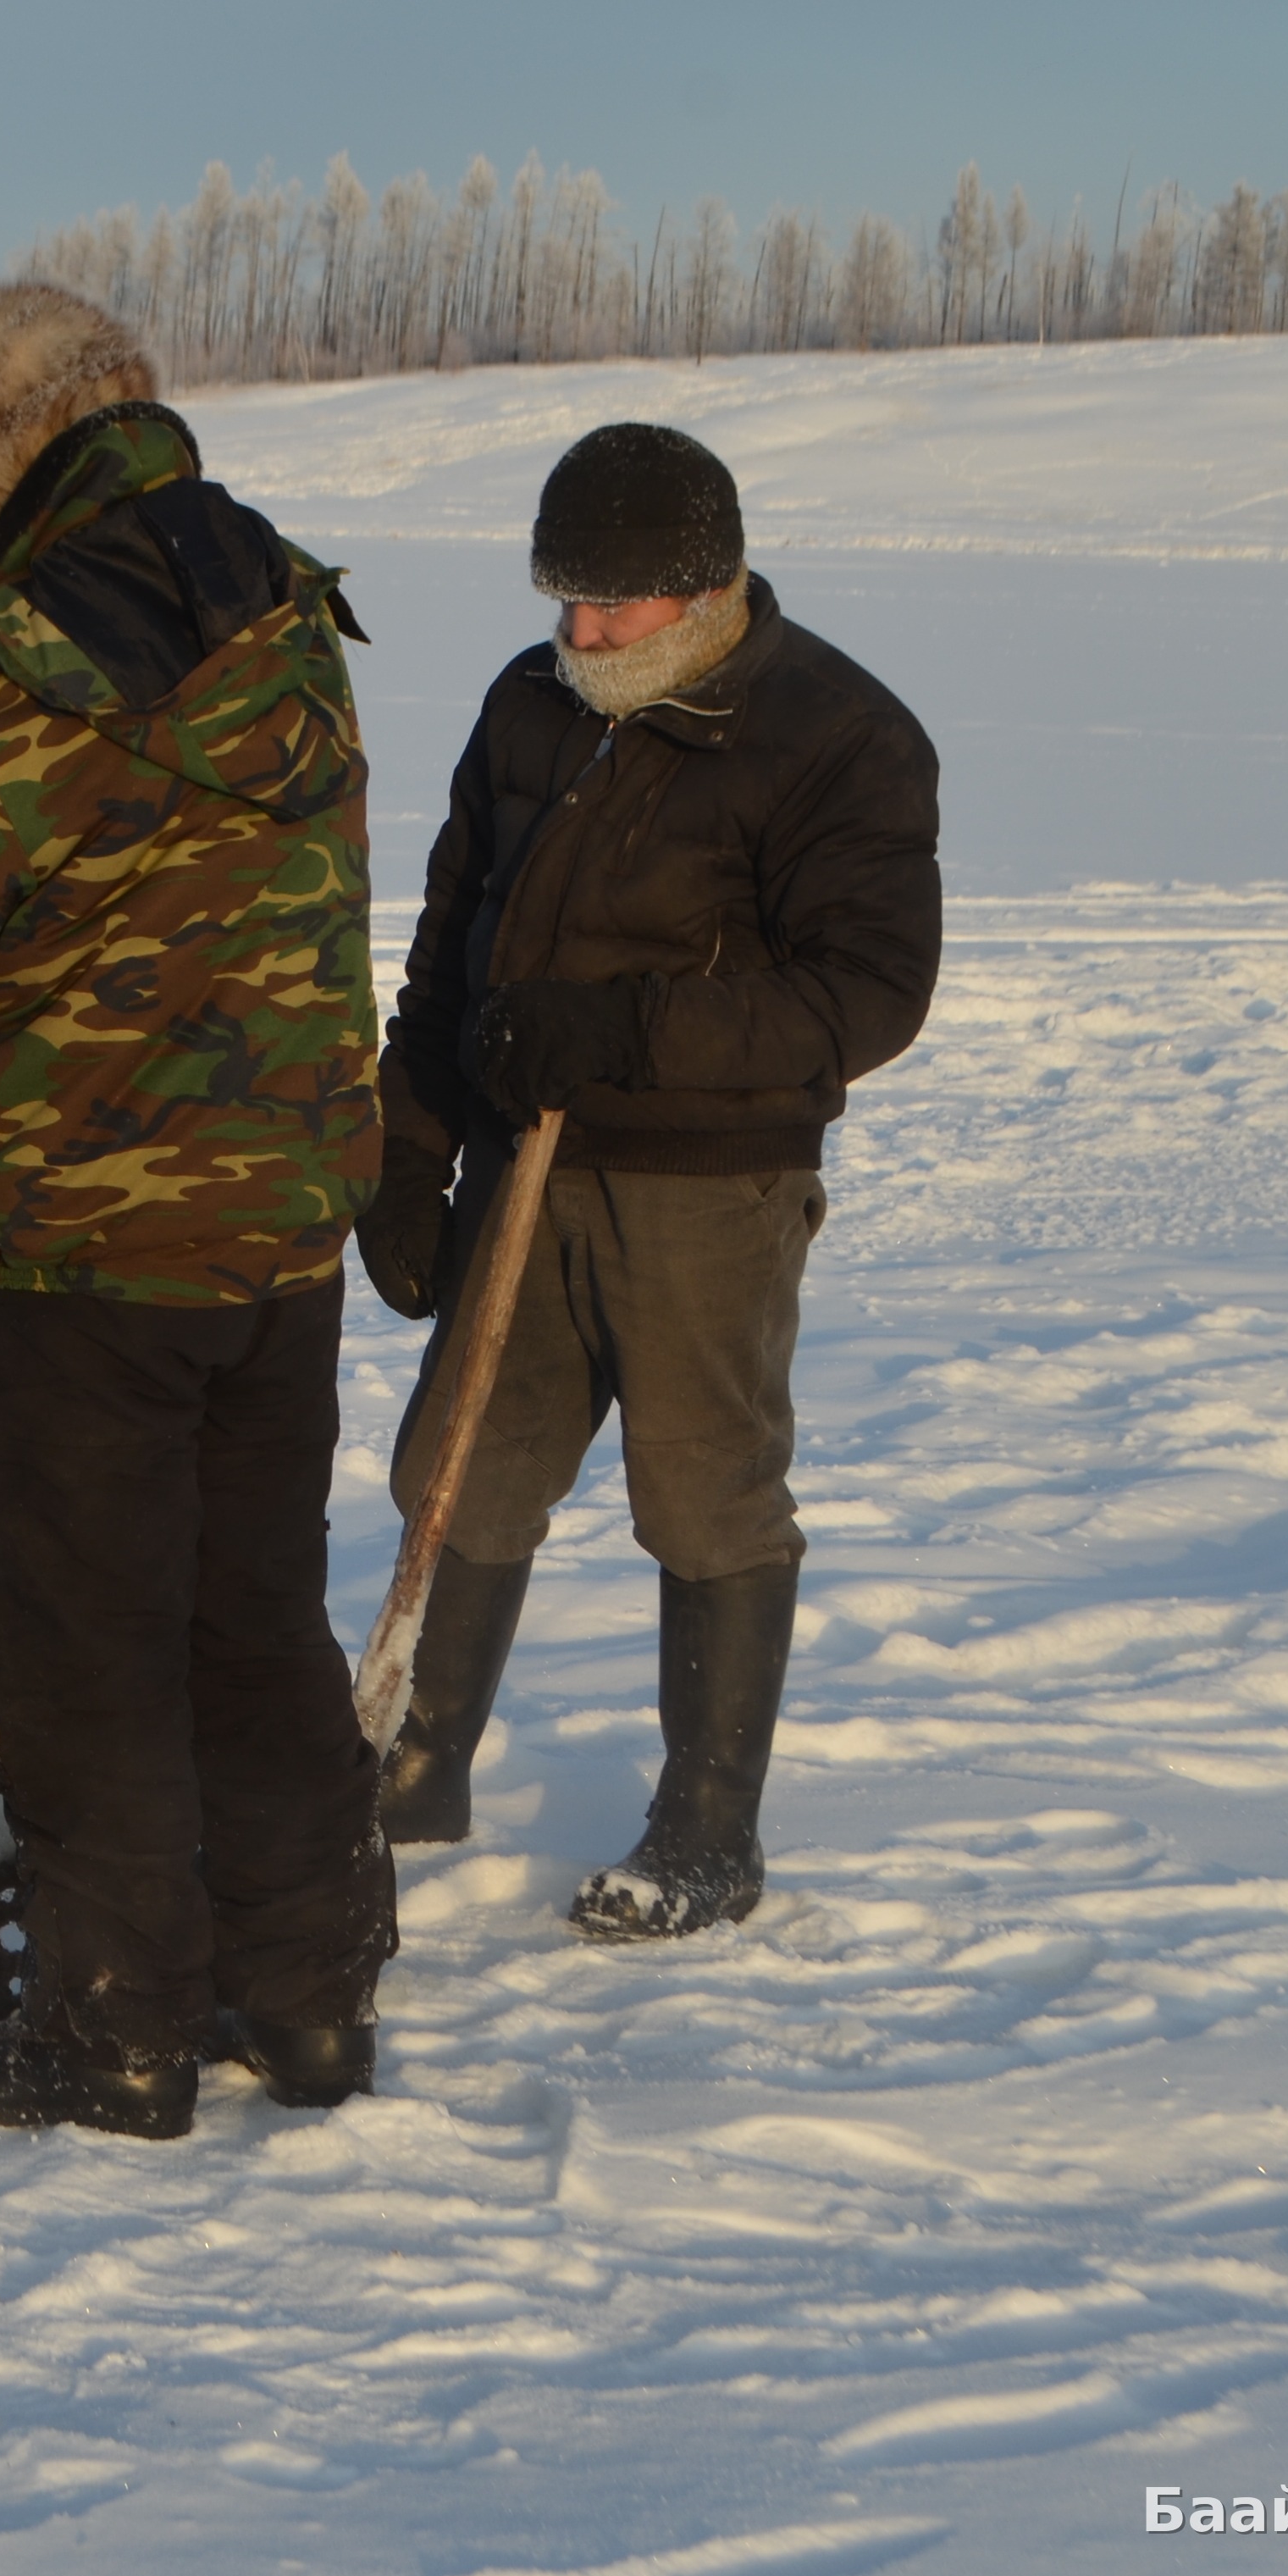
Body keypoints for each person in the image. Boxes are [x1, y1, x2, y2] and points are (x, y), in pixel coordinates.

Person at [0, 282, 385, 2140]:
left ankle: (112, 2032)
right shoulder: (271, 594)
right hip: (280, 1214)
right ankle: (305, 2002)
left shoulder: (4, 653)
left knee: (85, 1642)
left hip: (82, 1232)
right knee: (257, 1618)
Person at [360, 422, 940, 1939]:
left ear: (706, 585)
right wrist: (408, 1149)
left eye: (613, 604)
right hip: (520, 1165)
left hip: (707, 1187)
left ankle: (707, 1830)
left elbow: (867, 994)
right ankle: (415, 1765)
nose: (584, 631)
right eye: (566, 597)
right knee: (460, 1467)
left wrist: (624, 1029)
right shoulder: (531, 704)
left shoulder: (835, 733)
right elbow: (450, 943)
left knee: (704, 1495)